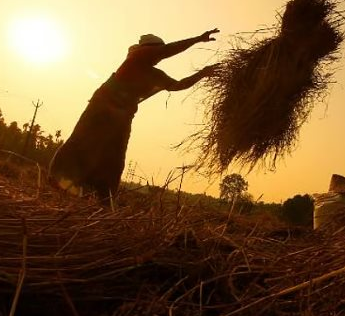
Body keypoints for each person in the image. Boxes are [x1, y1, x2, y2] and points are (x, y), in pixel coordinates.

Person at [49, 29, 220, 199]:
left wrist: (203, 73)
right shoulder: (136, 58)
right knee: (82, 142)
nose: (159, 56)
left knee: (115, 158)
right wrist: (198, 39)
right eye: (157, 51)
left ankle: (103, 196)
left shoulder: (155, 74)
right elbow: (167, 51)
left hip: (122, 117)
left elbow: (178, 85)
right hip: (102, 108)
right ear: (149, 49)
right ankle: (59, 179)